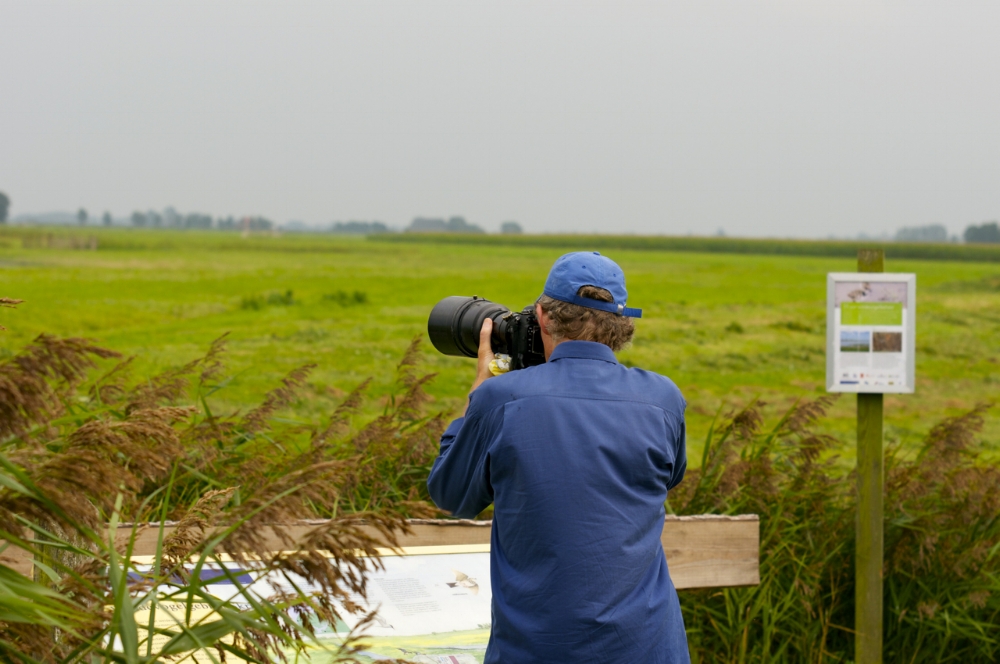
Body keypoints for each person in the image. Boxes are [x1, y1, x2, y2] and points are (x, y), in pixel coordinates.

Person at [427, 251, 690, 663]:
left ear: (543, 317)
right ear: (623, 325)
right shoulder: (663, 399)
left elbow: (451, 494)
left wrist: (478, 395)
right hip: (649, 646)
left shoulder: (500, 399)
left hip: (539, 647)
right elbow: (669, 477)